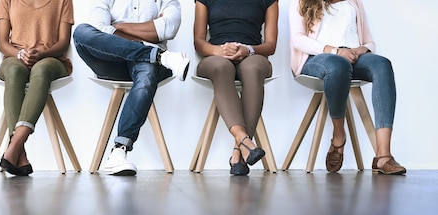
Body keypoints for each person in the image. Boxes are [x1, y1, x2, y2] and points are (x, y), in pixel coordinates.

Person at [73, 0, 190, 176]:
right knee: (81, 32)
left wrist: (117, 27)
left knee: (146, 75)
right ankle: (160, 56)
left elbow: (168, 28)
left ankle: (119, 150)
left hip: (147, 65)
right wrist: (148, 33)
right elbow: (97, 28)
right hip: (112, 62)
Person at [289, 0, 405, 175]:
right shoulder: (301, 2)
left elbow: (369, 42)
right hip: (317, 58)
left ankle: (383, 156)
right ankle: (338, 136)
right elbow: (298, 39)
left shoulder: (354, 3)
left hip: (352, 56)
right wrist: (335, 51)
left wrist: (359, 50)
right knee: (338, 65)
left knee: (382, 64)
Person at [194, 0, 278, 176]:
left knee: (252, 68)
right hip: (215, 56)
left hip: (253, 55)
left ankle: (238, 152)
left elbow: (271, 45)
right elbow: (199, 42)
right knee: (222, 67)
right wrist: (220, 51)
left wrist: (248, 49)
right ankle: (243, 140)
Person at [0, 0, 74, 176]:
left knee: (41, 68)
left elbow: (63, 42)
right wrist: (19, 54)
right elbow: (2, 42)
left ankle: (14, 144)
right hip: (14, 58)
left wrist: (42, 54)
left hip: (52, 59)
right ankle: (18, 153)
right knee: (14, 70)